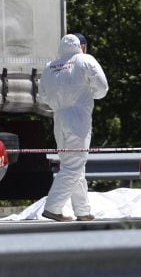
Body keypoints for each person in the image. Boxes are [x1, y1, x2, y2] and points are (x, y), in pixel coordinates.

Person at [39, 34, 108, 222]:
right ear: (80, 46)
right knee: (73, 166)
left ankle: (83, 211)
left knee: (75, 165)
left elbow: (42, 97)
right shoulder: (85, 60)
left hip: (59, 118)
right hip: (78, 118)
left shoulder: (50, 67)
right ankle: (52, 207)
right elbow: (102, 88)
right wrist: (89, 92)